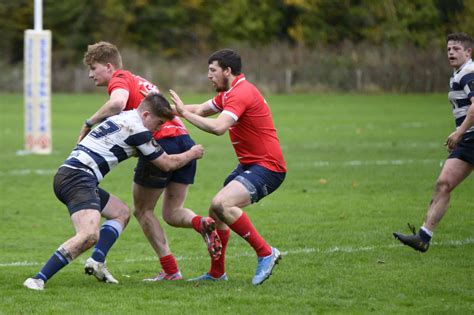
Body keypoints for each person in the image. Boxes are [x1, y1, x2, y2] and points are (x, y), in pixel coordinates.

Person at [23, 93, 204, 290]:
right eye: (159, 123)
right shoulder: (138, 130)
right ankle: (38, 279)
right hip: (78, 177)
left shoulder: (122, 117)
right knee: (89, 234)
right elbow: (167, 164)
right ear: (145, 115)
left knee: (121, 213)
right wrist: (192, 153)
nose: (159, 128)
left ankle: (97, 261)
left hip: (72, 174)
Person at [80, 41, 220, 281]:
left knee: (143, 211)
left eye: (93, 68)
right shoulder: (138, 80)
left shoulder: (120, 79)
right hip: (184, 140)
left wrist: (89, 122)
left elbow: (117, 103)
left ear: (109, 66)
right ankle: (200, 222)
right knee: (172, 212)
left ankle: (171, 271)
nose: (90, 74)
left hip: (161, 142)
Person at [168, 48, 287, 285]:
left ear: (227, 71)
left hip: (269, 167)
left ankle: (265, 252)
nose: (209, 76)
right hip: (250, 164)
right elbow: (200, 109)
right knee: (215, 213)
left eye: (213, 70)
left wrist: (182, 113)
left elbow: (218, 127)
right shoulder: (229, 93)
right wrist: (159, 111)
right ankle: (217, 273)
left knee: (221, 204)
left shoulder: (241, 93)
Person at [393, 32, 474, 252]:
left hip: (469, 136)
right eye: (448, 49)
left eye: (456, 49)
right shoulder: (458, 73)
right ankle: (423, 237)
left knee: (444, 184)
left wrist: (458, 133)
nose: (450, 53)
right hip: (469, 140)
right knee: (443, 184)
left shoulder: (468, 73)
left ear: (469, 52)